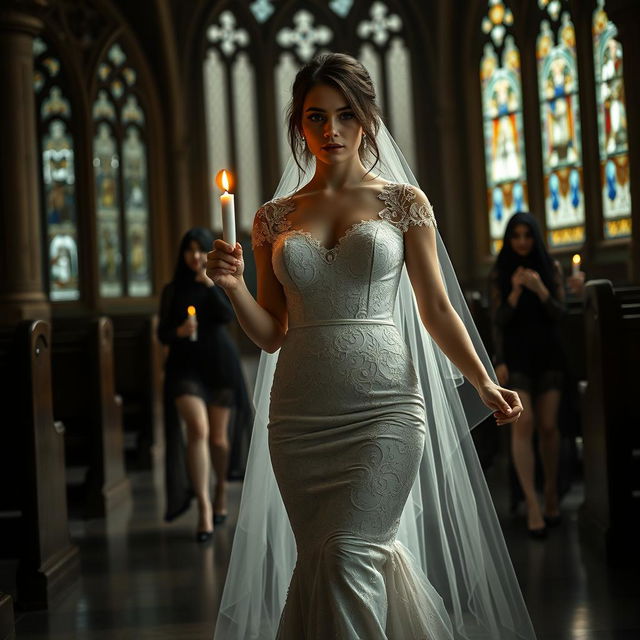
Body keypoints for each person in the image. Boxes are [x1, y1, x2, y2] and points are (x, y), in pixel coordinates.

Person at [208, 53, 536, 639]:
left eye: (345, 116)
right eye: (316, 117)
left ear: (367, 120)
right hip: (301, 418)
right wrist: (233, 287)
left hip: (385, 408)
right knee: (328, 562)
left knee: (347, 556)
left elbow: (435, 308)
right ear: (299, 124)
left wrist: (483, 380)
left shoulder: (405, 203)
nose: (331, 131)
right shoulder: (271, 219)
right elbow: (272, 333)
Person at [158, 227, 251, 542]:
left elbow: (229, 317)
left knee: (219, 440)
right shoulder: (173, 290)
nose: (195, 256)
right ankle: (204, 510)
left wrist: (211, 286)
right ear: (183, 254)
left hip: (219, 366)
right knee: (197, 430)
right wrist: (179, 332)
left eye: (200, 250)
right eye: (189, 250)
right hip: (185, 368)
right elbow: (162, 334)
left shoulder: (214, 283)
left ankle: (221, 489)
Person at [490, 212, 565, 538]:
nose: (522, 241)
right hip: (517, 358)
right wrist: (517, 291)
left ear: (535, 237)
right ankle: (532, 504)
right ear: (509, 239)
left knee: (549, 427)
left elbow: (560, 315)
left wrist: (540, 288)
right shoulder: (501, 273)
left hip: (549, 356)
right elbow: (498, 323)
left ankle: (550, 493)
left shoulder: (551, 269)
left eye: (527, 235)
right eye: (516, 235)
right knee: (526, 424)